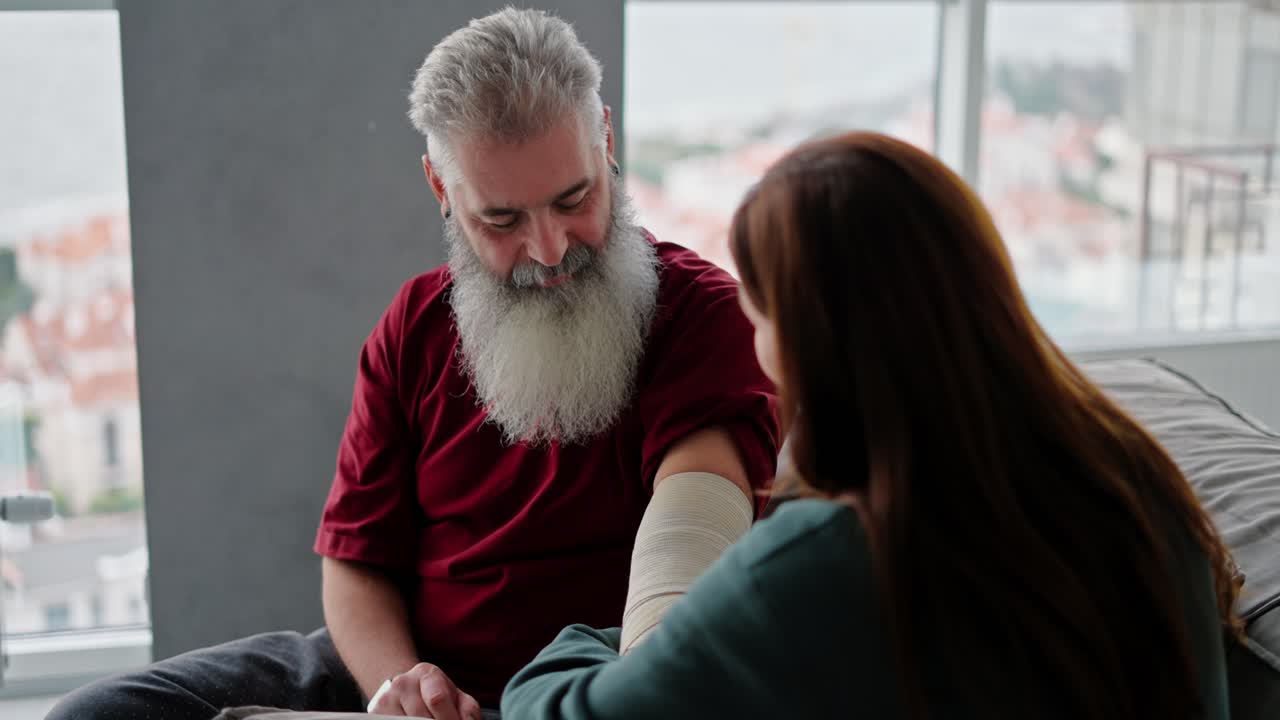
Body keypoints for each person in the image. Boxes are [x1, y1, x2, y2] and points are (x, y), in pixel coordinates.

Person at [47, 9, 777, 720]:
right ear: (441, 189)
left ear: (606, 139)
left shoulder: (702, 315)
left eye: (575, 197)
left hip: (597, 687)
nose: (551, 249)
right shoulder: (413, 327)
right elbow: (358, 562)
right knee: (98, 713)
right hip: (405, 674)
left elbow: (692, 533)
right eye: (502, 220)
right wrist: (397, 688)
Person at [500, 131, 1241, 720]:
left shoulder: (840, 556)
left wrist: (592, 646)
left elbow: (568, 714)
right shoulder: (1134, 481)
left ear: (809, 342)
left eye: (760, 315)